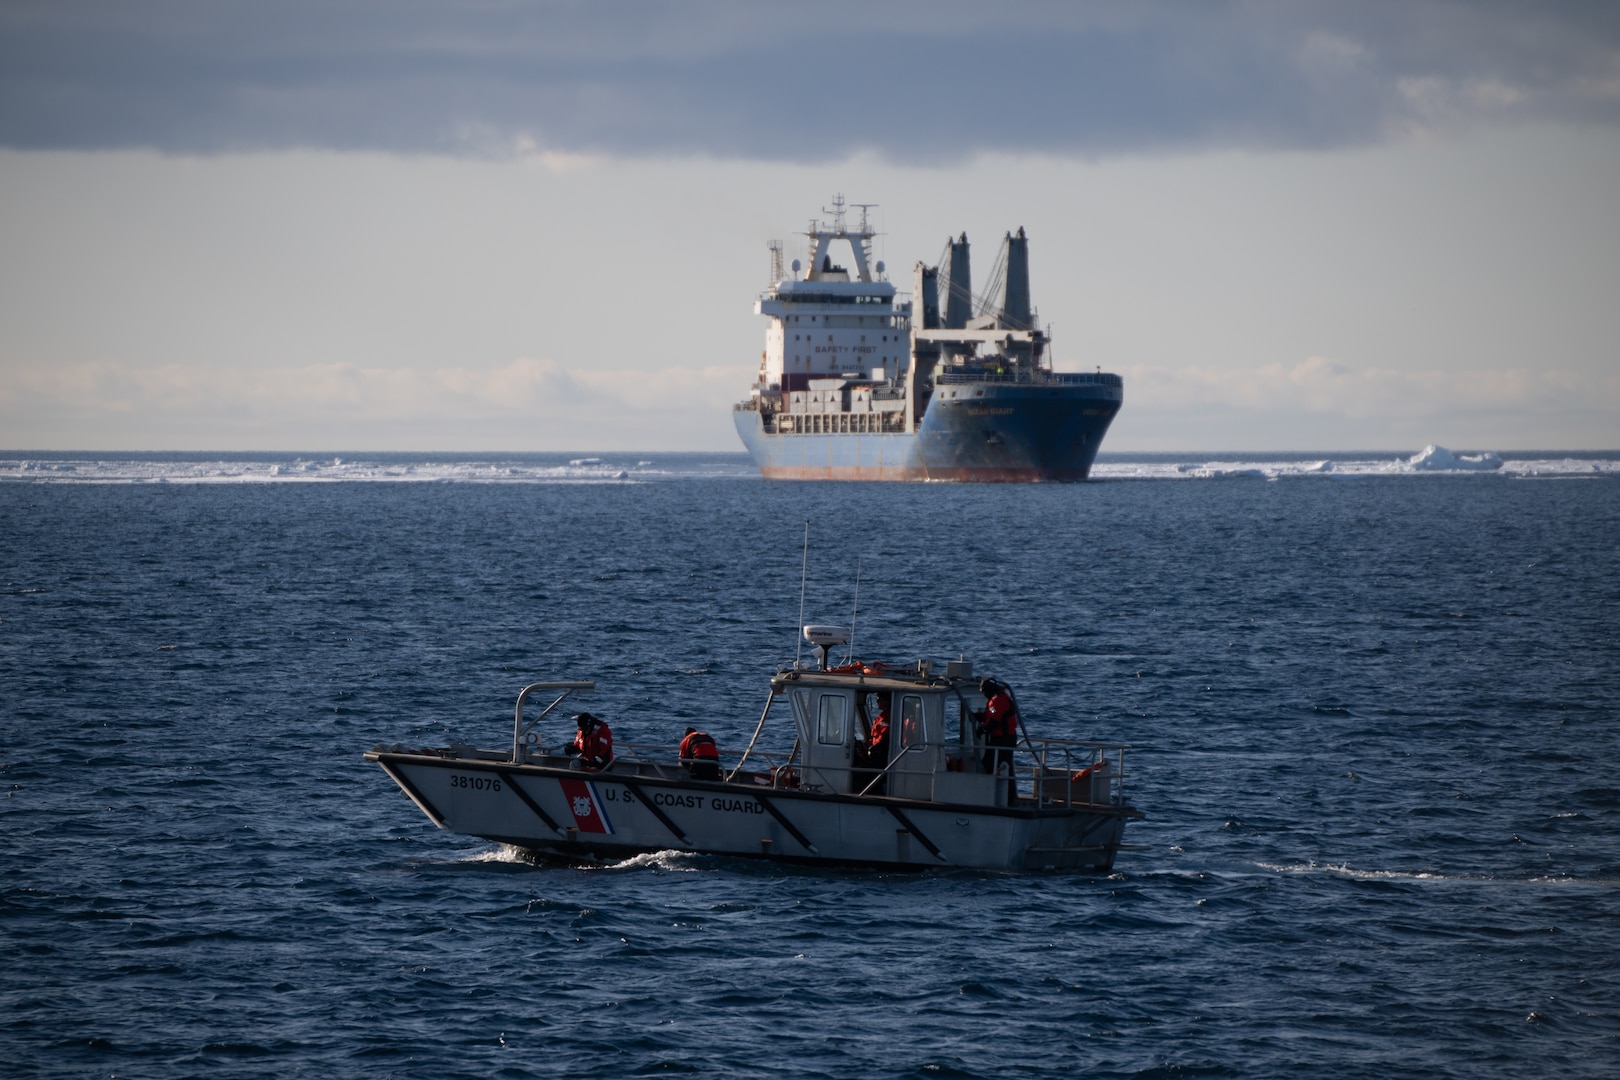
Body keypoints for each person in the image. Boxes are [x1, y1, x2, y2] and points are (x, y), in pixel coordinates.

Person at [979, 678, 1019, 803]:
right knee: (1003, 766)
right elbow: (992, 713)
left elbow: (995, 720)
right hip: (1003, 738)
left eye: (984, 691)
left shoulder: (998, 700)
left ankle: (1003, 797)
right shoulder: (998, 700)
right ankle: (1007, 796)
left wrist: (983, 730)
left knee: (994, 764)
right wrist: (981, 716)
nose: (984, 694)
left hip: (1003, 739)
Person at [858, 693, 891, 795]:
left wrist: (872, 749)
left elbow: (885, 739)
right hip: (876, 750)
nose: (877, 701)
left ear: (887, 701)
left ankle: (868, 792)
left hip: (880, 755)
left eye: (879, 698)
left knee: (862, 771)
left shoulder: (889, 716)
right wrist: (866, 745)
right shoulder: (883, 715)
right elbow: (877, 737)